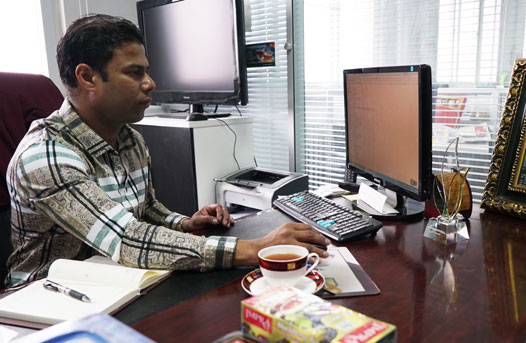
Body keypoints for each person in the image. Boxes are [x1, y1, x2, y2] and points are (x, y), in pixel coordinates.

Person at [4, 14, 329, 287]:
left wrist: (186, 223)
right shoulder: (46, 155)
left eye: (146, 70)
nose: (150, 83)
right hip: (44, 301)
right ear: (88, 77)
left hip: (113, 281)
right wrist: (257, 248)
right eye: (134, 73)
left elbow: (145, 211)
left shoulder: (130, 138)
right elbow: (127, 238)